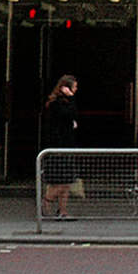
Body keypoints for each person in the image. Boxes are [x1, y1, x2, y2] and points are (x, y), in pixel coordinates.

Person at [41, 74, 78, 219]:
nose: (75, 90)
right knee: (60, 182)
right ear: (64, 87)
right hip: (58, 146)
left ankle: (63, 211)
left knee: (66, 182)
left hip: (66, 145)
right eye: (73, 87)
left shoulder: (66, 101)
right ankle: (46, 201)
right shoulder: (56, 103)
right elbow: (68, 115)